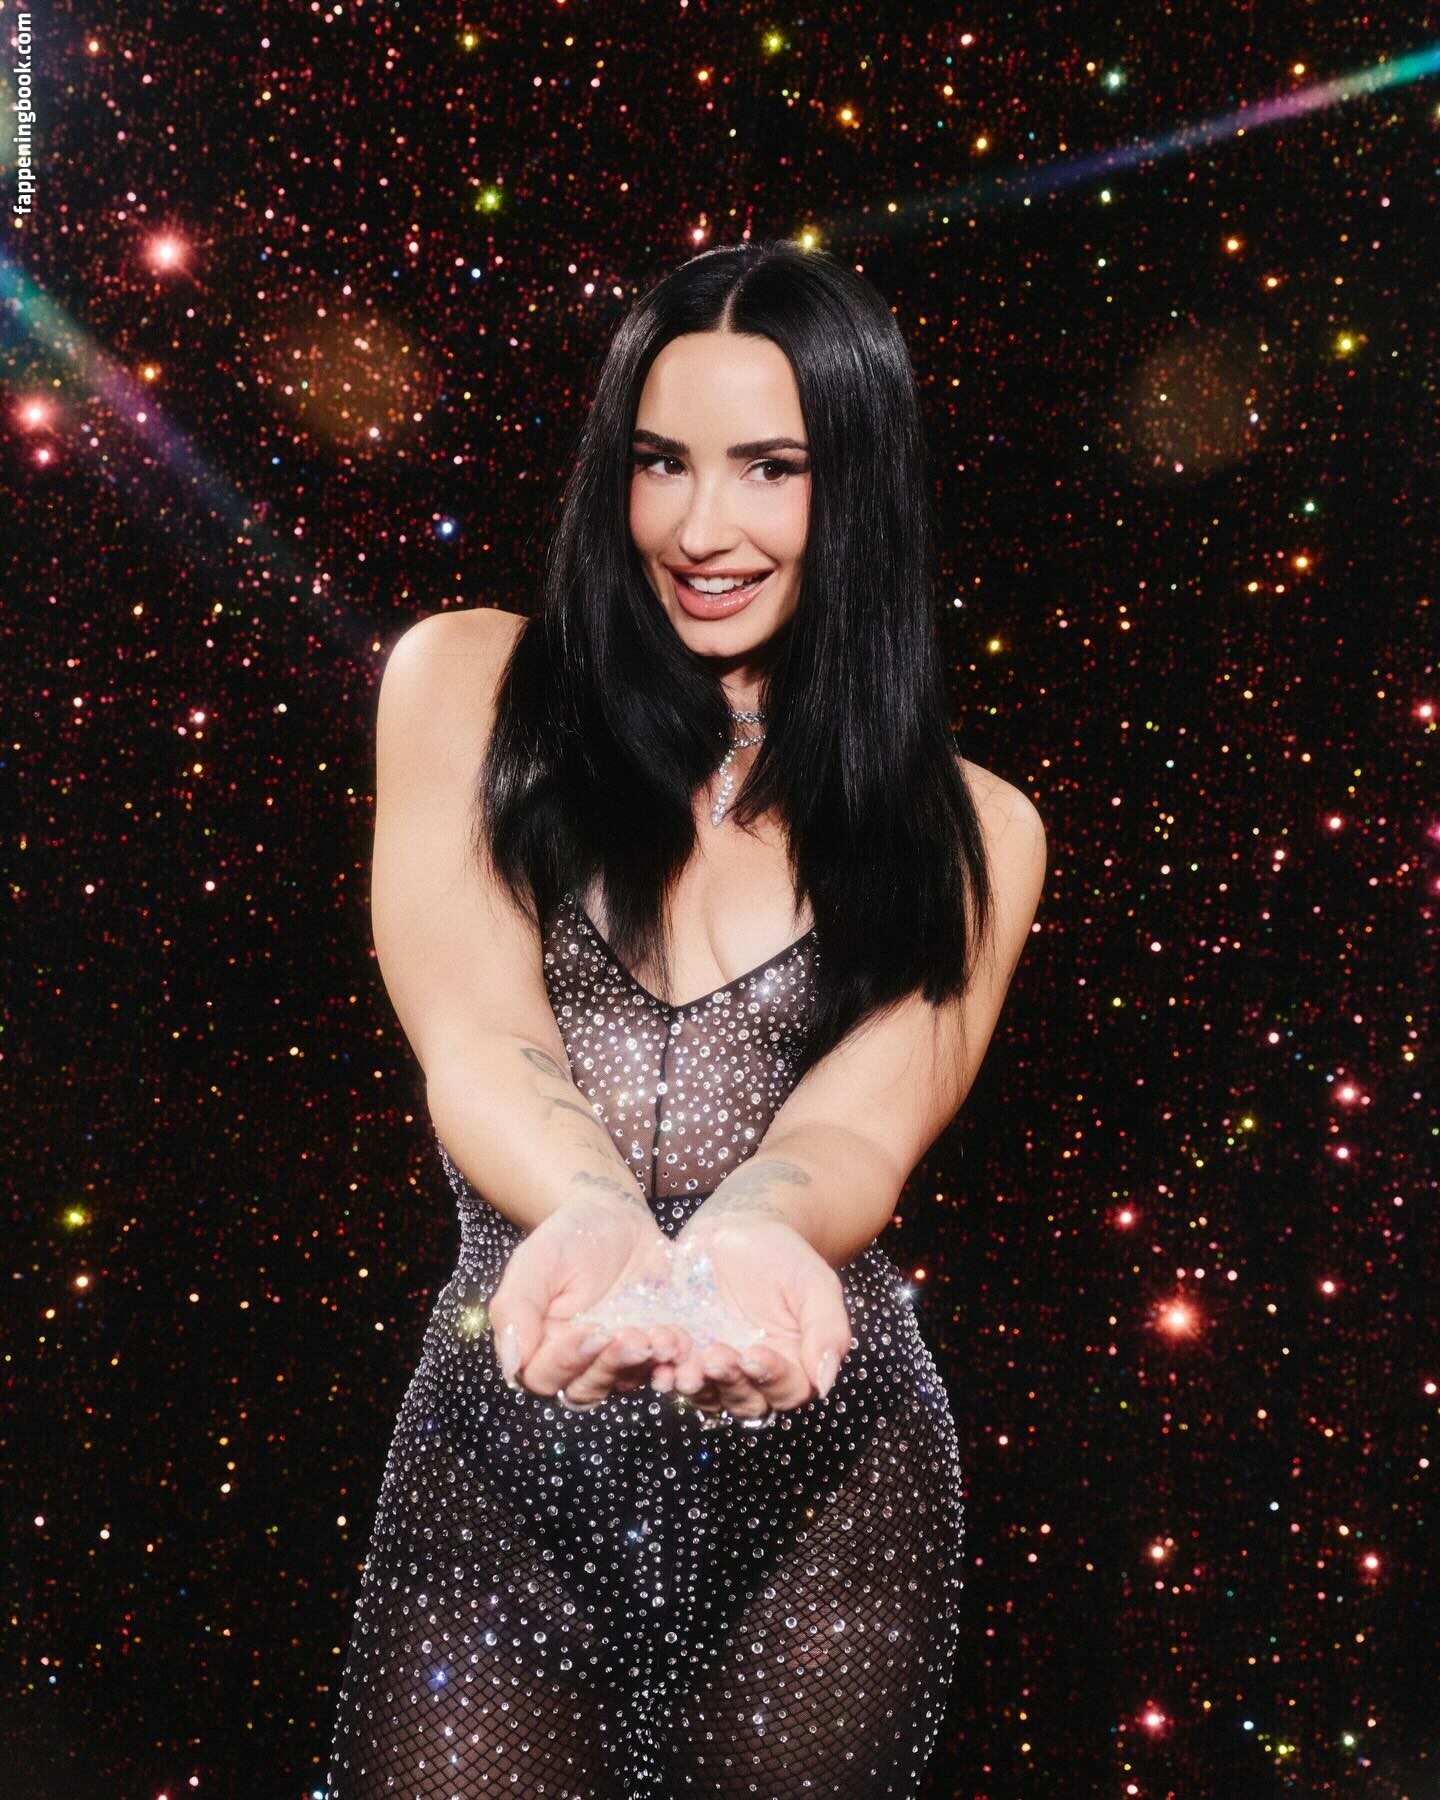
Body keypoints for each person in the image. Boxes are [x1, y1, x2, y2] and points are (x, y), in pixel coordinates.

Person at [326, 237, 1047, 1798]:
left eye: (770, 468)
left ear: (858, 485)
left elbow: (858, 1128)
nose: (702, 528)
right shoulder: (466, 684)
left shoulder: (975, 830)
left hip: (828, 1488)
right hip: (503, 1454)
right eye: (662, 462)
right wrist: (598, 1215)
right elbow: (478, 1029)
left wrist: (747, 1239)